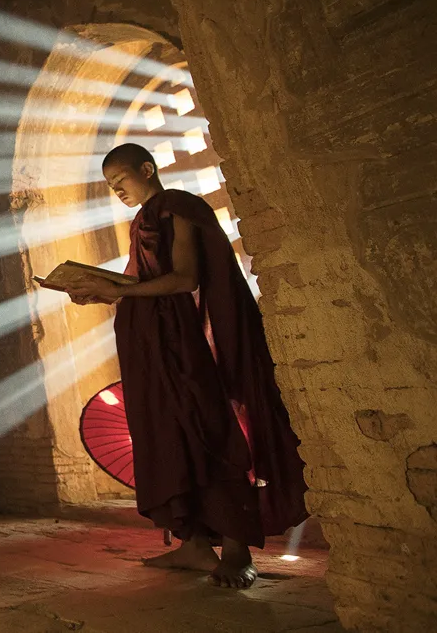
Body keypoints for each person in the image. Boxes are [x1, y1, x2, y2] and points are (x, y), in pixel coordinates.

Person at [64, 143, 308, 589]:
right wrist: (105, 291)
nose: (117, 190)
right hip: (155, 347)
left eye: (122, 180)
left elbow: (185, 279)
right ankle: (193, 545)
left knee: (207, 430)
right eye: (110, 186)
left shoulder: (177, 206)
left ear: (147, 168)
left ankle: (236, 549)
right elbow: (146, 282)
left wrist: (119, 289)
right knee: (166, 436)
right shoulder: (143, 219)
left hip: (186, 347)